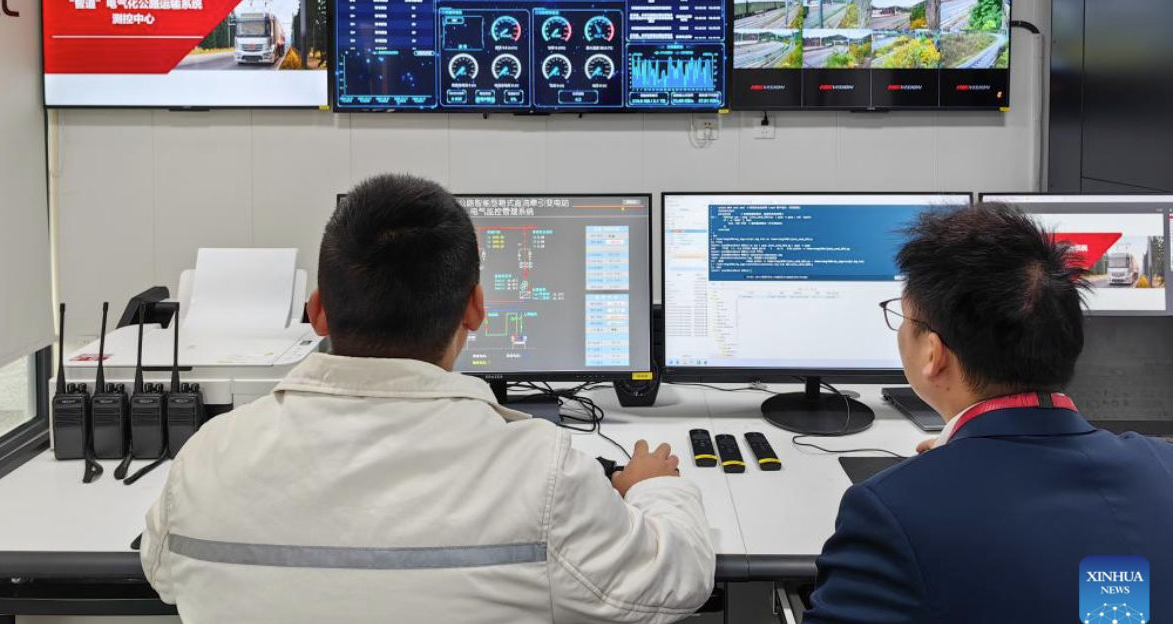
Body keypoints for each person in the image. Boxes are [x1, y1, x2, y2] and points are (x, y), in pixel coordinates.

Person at [141, 174, 714, 624]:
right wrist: (655, 488)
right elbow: (678, 577)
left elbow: (161, 571)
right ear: (475, 310)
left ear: (317, 312)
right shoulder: (544, 473)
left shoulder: (206, 457)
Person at [805, 203, 1173, 624]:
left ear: (933, 353)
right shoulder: (1165, 467)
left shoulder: (890, 513)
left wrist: (931, 483)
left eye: (903, 318)